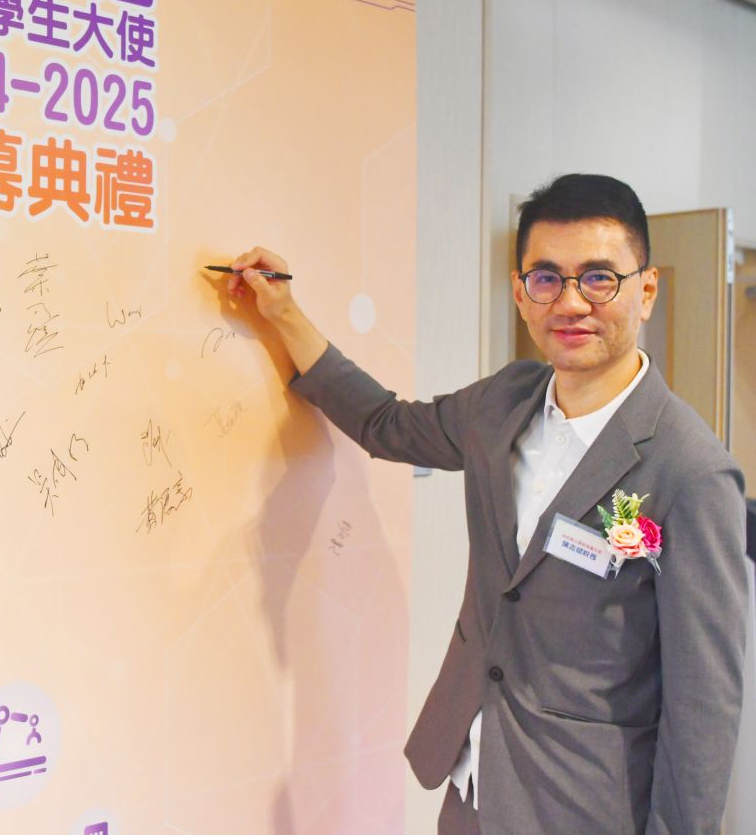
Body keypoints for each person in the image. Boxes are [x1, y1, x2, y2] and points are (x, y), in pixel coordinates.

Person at [228, 174, 748, 834]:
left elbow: (704, 705)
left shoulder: (691, 470)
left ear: (645, 291)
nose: (572, 302)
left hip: (585, 810)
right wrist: (283, 314)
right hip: (473, 788)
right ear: (521, 293)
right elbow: (387, 423)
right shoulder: (505, 403)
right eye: (547, 278)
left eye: (599, 278)